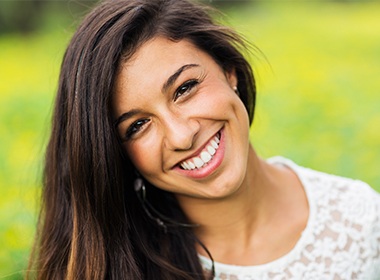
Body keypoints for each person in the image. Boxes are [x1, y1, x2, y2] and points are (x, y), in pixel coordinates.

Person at [28, 0, 380, 279]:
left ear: (230, 72)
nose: (181, 135)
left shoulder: (362, 222)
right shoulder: (115, 265)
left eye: (185, 89)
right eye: (137, 126)